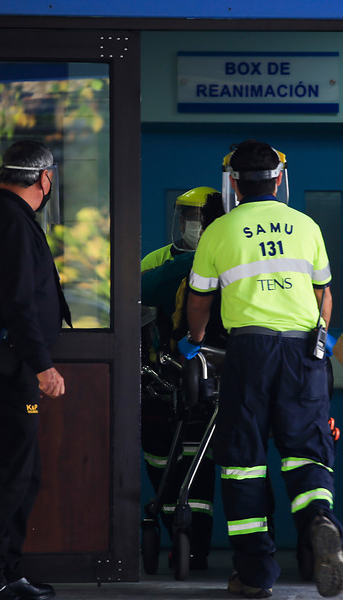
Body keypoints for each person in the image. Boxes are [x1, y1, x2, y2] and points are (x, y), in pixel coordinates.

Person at [183, 139, 343, 598]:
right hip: (303, 353)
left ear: (234, 183)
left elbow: (200, 300)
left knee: (244, 462)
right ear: (278, 179)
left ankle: (254, 574)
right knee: (307, 451)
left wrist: (194, 342)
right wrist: (317, 337)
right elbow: (324, 296)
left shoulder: (219, 231)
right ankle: (319, 520)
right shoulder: (307, 226)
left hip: (249, 352)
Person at [0, 140, 72, 600]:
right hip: (8, 367)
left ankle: (4, 573)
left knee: (22, 474)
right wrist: (42, 366)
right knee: (9, 476)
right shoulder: (10, 222)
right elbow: (19, 303)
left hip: (7, 363)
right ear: (45, 179)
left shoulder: (3, 216)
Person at [139, 188, 223, 571]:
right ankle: (173, 529)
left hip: (207, 377)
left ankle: (196, 547)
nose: (191, 224)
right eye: (186, 216)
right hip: (161, 376)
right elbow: (136, 292)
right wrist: (188, 264)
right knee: (159, 458)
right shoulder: (158, 260)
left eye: (198, 218)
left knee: (198, 463)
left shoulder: (229, 255)